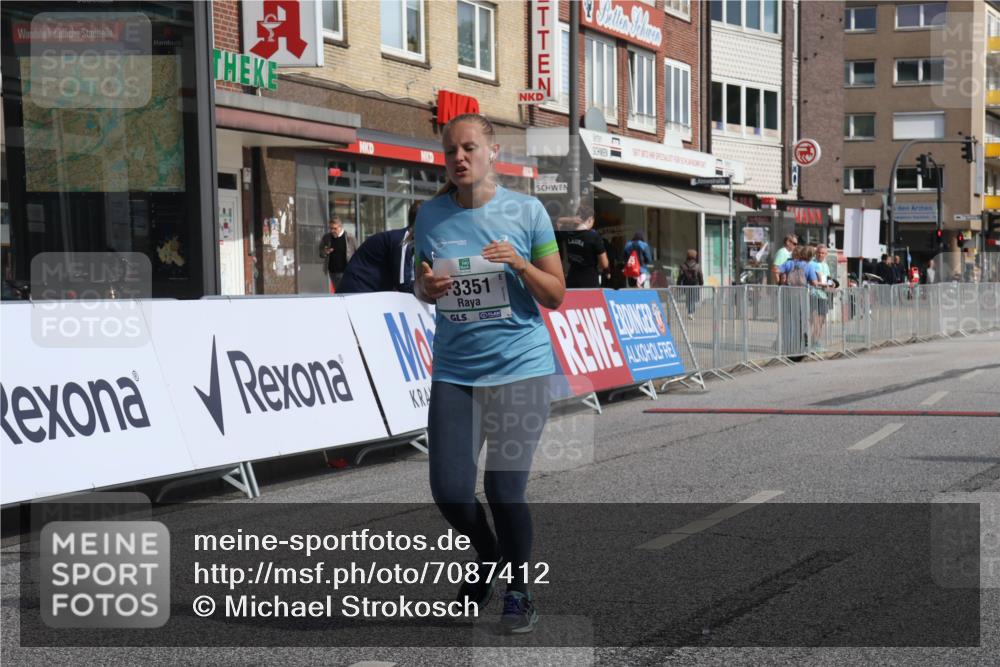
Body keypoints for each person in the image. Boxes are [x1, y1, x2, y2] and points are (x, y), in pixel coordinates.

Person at [412, 113, 565, 634]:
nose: (459, 158)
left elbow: (556, 294)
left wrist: (520, 264)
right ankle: (489, 554)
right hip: (456, 373)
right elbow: (421, 283)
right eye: (450, 151)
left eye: (469, 148)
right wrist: (426, 289)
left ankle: (519, 592)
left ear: (493, 151)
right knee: (451, 492)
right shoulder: (430, 216)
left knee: (503, 487)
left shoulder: (528, 211)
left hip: (521, 368)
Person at [337, 202, 420, 294]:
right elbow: (404, 284)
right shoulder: (403, 241)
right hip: (357, 290)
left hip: (365, 290)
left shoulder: (410, 242)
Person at [556, 205, 608, 288]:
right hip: (590, 280)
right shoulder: (594, 236)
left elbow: (559, 222)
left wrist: (572, 220)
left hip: (572, 278)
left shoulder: (568, 233)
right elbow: (604, 264)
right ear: (590, 219)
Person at [319, 216, 358, 292]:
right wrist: (325, 252)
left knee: (346, 292)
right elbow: (321, 252)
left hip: (347, 272)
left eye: (335, 228)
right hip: (333, 272)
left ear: (341, 227)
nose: (332, 231)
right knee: (339, 292)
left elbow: (358, 253)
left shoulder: (350, 238)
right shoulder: (327, 237)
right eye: (331, 228)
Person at [677, 249, 704, 319]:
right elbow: (700, 275)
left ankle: (690, 312)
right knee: (693, 299)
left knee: (688, 299)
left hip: (686, 284)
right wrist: (701, 283)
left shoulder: (683, 266)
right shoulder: (697, 266)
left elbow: (680, 277)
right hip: (695, 284)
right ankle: (691, 312)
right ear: (695, 256)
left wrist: (678, 285)